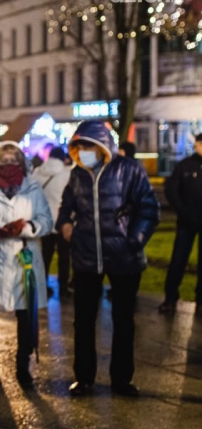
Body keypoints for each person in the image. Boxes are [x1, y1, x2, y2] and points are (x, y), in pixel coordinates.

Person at [57, 120, 160, 397]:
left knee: (123, 320)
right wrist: (64, 223)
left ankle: (121, 380)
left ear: (102, 146)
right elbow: (66, 206)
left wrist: (134, 241)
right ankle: (84, 378)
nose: (83, 152)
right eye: (79, 146)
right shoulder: (78, 174)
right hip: (86, 256)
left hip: (124, 258)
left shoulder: (129, 170)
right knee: (83, 320)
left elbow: (149, 209)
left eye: (88, 146)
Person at [0, 142, 52, 388]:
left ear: (21, 162)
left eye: (13, 160)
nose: (9, 165)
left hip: (23, 261)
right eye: (3, 161)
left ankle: (23, 368)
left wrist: (26, 227)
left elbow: (46, 220)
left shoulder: (33, 189)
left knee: (26, 319)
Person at [159, 134, 202, 316]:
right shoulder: (185, 166)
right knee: (178, 260)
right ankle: (170, 297)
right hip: (186, 221)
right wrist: (182, 211)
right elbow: (171, 190)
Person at [33, 146, 72, 298]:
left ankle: (42, 286)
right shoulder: (67, 174)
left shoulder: (37, 173)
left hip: (44, 221)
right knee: (64, 256)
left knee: (45, 254)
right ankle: (63, 288)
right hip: (61, 222)